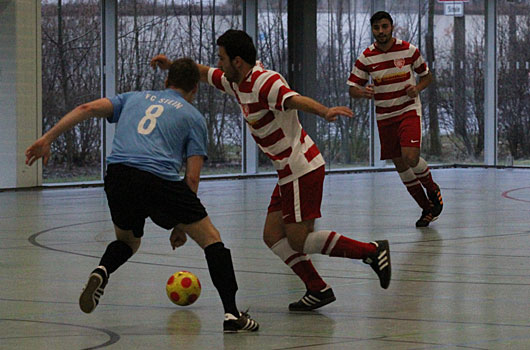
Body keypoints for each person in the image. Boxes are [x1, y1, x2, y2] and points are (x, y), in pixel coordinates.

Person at [151, 30, 391, 312]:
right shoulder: (235, 81)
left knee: (299, 239)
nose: (219, 63)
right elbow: (204, 73)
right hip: (287, 171)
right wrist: (172, 68)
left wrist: (324, 112)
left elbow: (294, 99)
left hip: (302, 167)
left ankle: (372, 251)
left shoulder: (265, 83)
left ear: (237, 61)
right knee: (272, 235)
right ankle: (317, 288)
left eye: (222, 58)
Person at [25, 58, 259, 333]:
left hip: (118, 175)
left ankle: (103, 270)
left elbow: (86, 108)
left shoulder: (133, 98)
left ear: (165, 81)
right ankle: (232, 314)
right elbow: (192, 177)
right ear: (195, 88)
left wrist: (47, 139)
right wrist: (180, 224)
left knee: (128, 241)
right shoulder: (193, 117)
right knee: (211, 240)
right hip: (159, 180)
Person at [347, 11, 443, 227]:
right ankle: (427, 208)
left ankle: (432, 189)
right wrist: (362, 92)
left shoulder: (408, 50)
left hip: (408, 110)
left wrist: (416, 88)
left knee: (410, 156)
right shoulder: (366, 57)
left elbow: (427, 76)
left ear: (392, 27)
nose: (380, 31)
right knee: (400, 165)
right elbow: (353, 88)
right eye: (376, 28)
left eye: (384, 26)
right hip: (385, 116)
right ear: (372, 30)